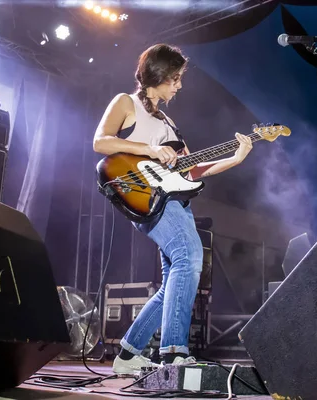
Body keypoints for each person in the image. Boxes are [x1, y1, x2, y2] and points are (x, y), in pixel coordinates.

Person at [92, 44, 254, 374]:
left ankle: (127, 354)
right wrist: (149, 149)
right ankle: (174, 352)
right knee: (190, 257)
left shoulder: (169, 122)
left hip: (175, 201)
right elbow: (101, 142)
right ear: (160, 74)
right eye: (176, 78)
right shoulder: (127, 102)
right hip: (144, 195)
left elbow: (192, 170)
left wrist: (234, 158)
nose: (179, 86)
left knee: (174, 281)